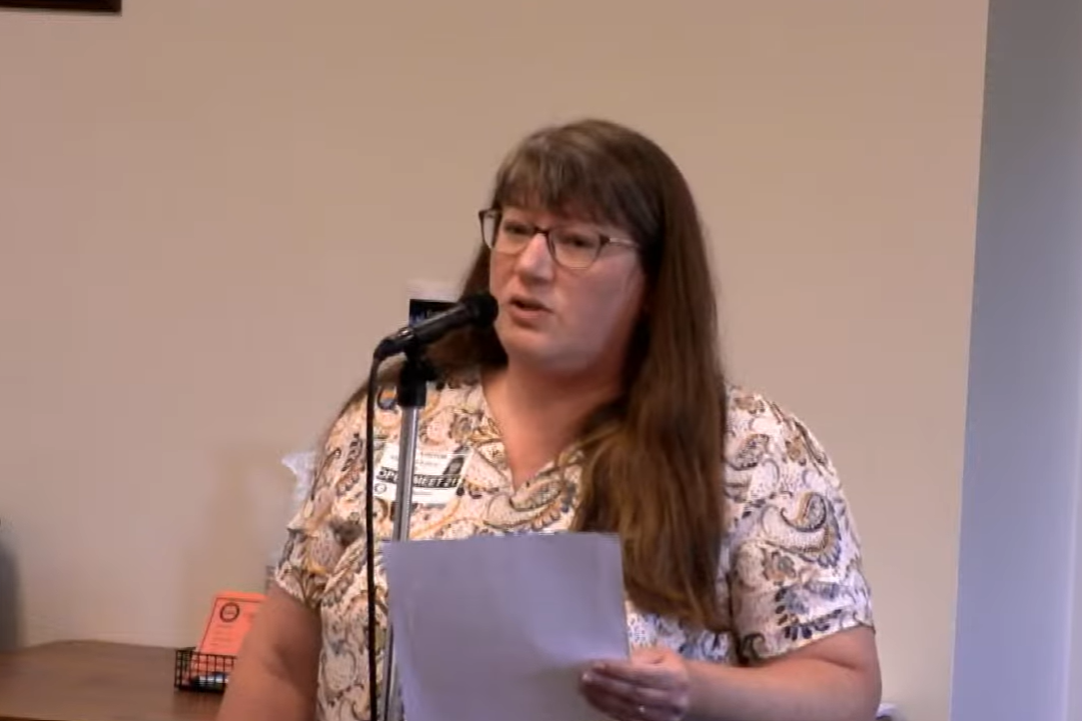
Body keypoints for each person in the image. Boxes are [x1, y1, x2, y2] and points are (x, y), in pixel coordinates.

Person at [218, 118, 881, 721]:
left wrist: (696, 689)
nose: (530, 265)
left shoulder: (751, 447)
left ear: (651, 284)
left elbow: (843, 683)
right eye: (515, 228)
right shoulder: (396, 416)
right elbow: (280, 660)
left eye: (576, 241)